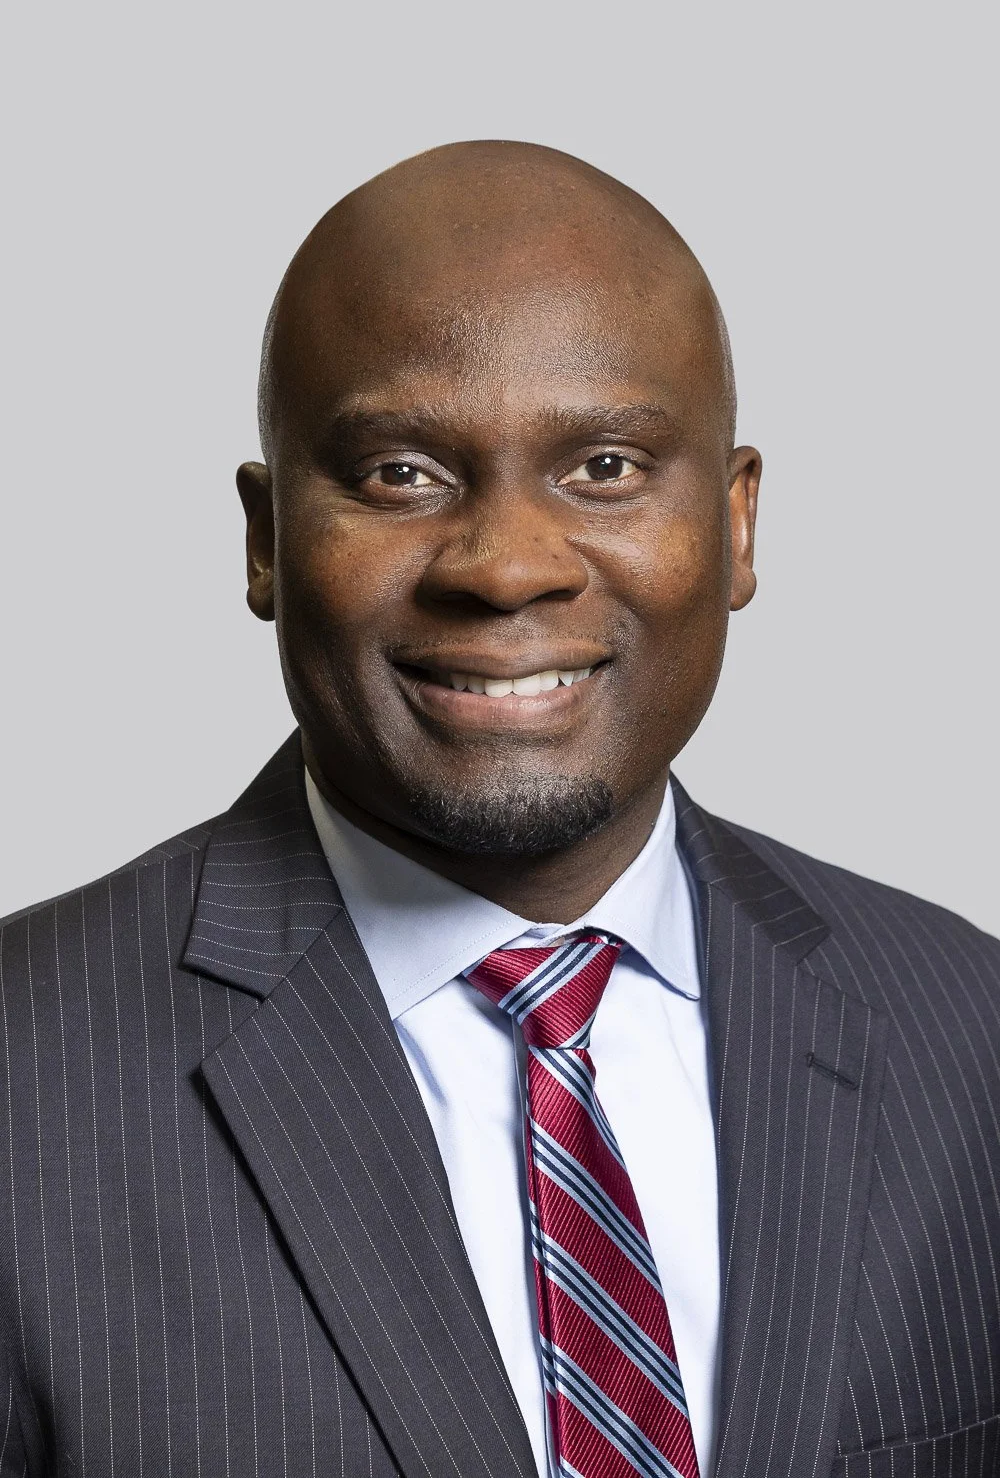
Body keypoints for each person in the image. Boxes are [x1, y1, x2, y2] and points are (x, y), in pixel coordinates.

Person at [1, 141, 997, 1478]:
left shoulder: (968, 1036)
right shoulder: (26, 1083)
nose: (509, 566)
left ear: (742, 522)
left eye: (605, 467)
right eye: (402, 473)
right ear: (265, 543)